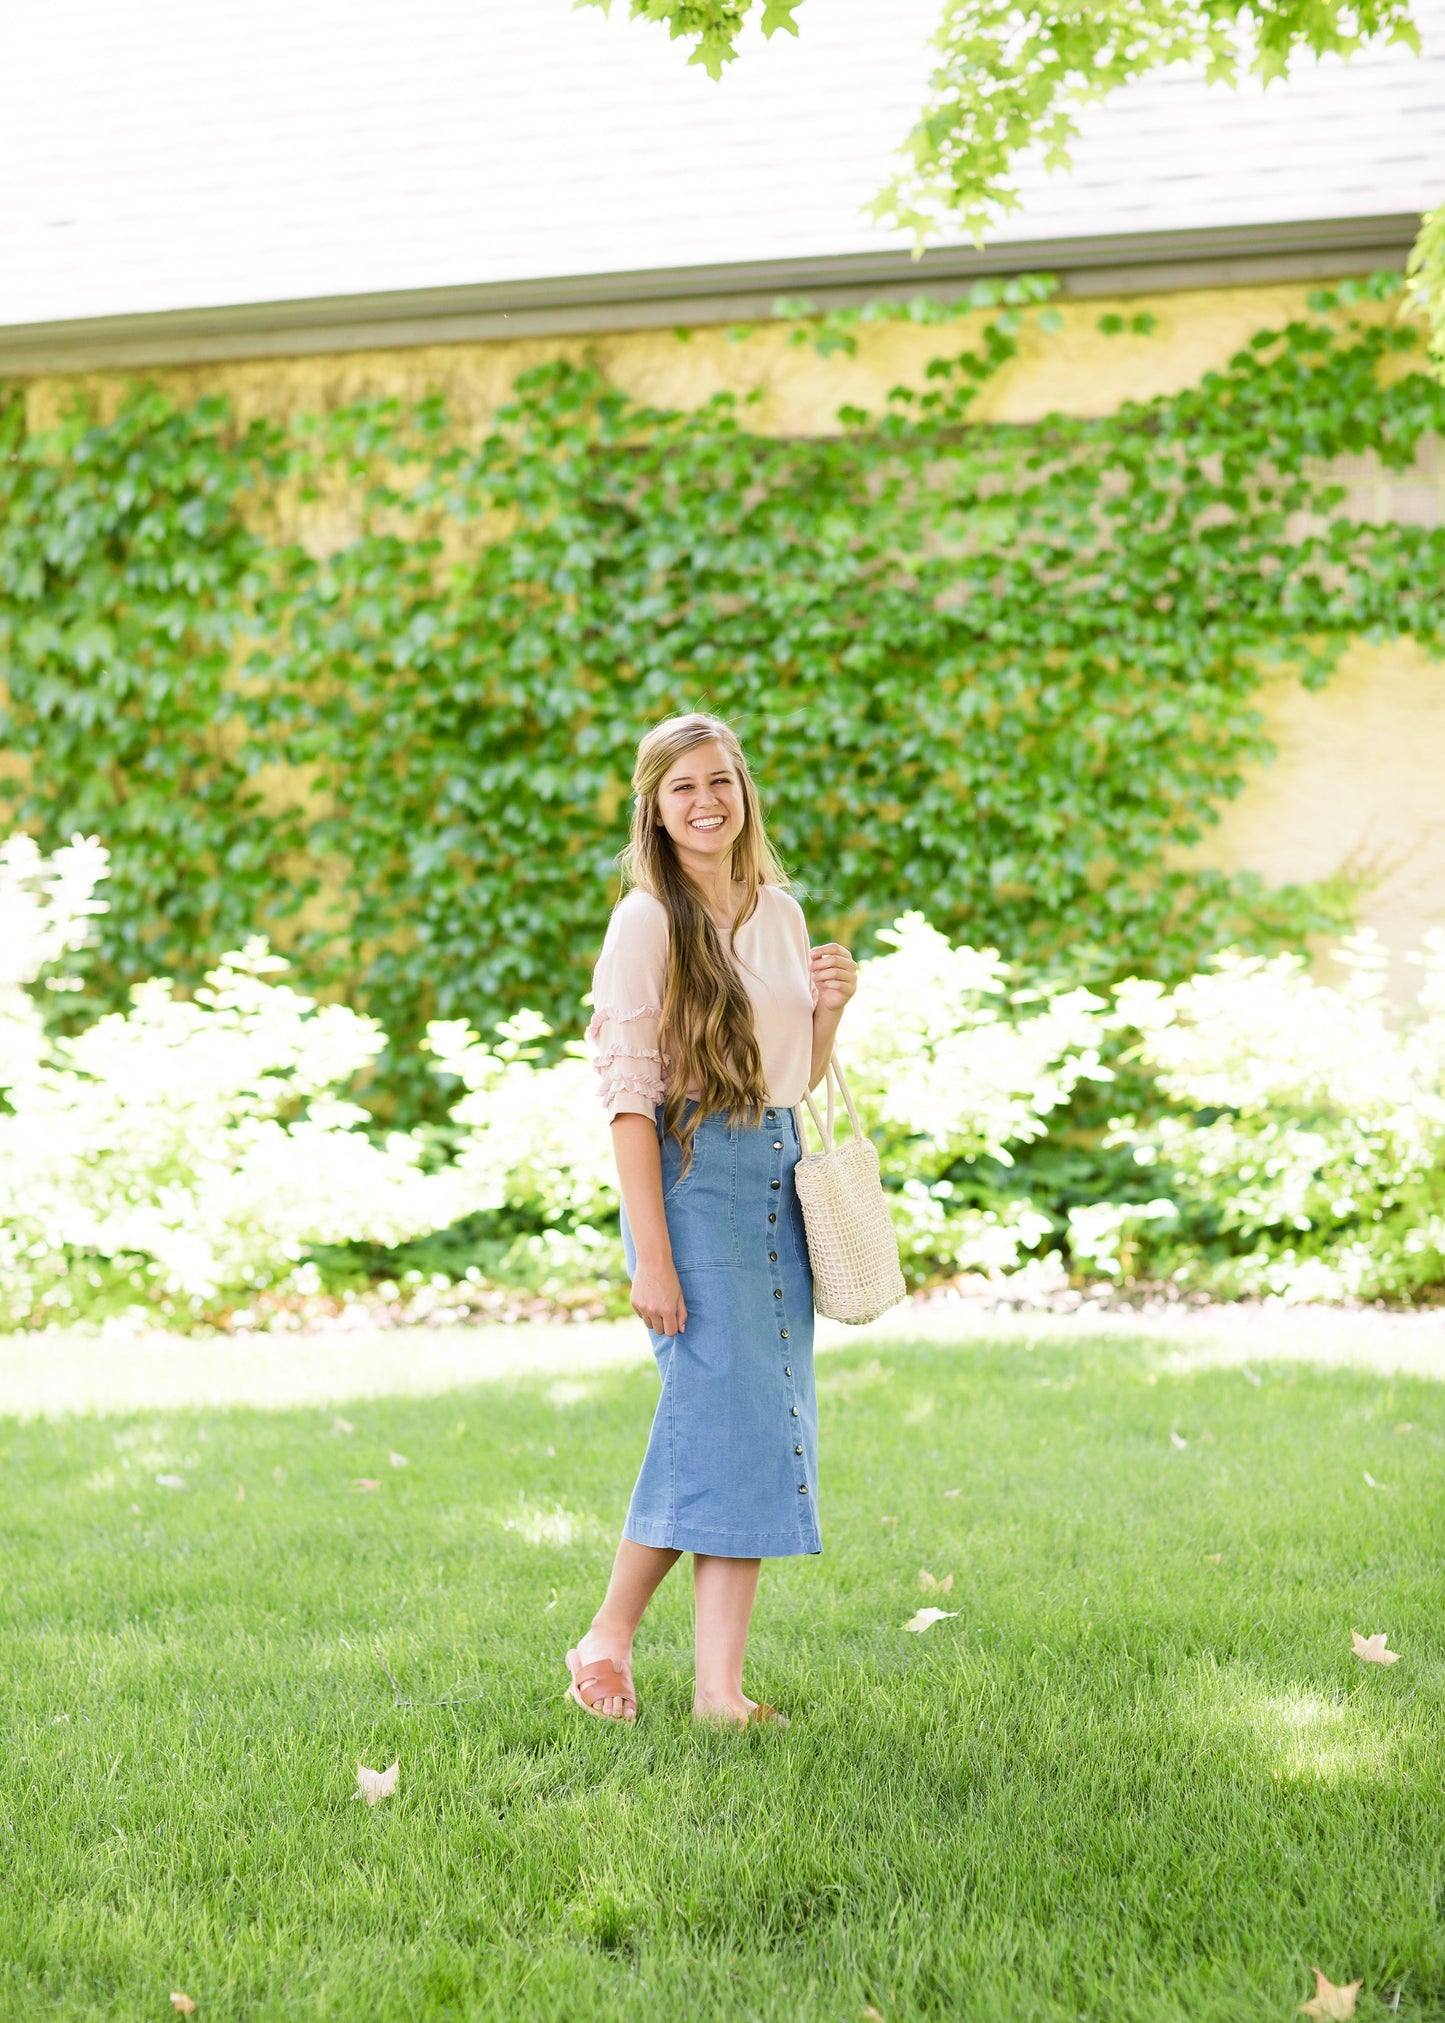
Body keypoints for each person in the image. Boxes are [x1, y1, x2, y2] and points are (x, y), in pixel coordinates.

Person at [565, 712, 857, 1729]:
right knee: (709, 1415)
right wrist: (652, 1253)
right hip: (688, 1180)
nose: (705, 802)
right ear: (653, 805)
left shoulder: (777, 910)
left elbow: (791, 1079)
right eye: (682, 786)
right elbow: (627, 1098)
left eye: (720, 781)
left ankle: (716, 1691)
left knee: (750, 1426)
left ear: (744, 793)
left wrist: (827, 1013)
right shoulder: (643, 922)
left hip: (772, 1175)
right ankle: (605, 1634)